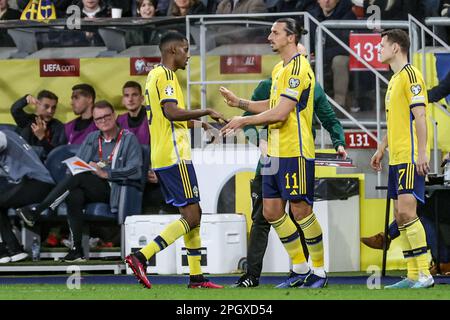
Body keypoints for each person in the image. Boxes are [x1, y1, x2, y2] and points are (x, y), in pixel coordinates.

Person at [220, 18, 328, 288]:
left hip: (295, 152)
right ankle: (301, 268)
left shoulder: (299, 69)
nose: (270, 37)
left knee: (301, 212)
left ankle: (319, 271)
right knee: (271, 212)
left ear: (291, 37)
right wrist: (241, 103)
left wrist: (243, 120)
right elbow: (273, 103)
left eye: (275, 32)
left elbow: (281, 112)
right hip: (274, 154)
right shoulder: (280, 68)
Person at [233, 42, 347, 288]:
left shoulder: (310, 84)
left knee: (299, 213)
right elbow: (253, 118)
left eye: (305, 56)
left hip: (294, 155)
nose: (302, 60)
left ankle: (313, 271)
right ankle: (256, 275)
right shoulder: (272, 79)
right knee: (266, 215)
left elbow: (328, 117)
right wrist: (258, 139)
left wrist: (339, 140)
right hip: (268, 160)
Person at [124, 31, 225, 289]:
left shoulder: (153, 76)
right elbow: (171, 112)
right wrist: (208, 110)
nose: (188, 55)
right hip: (174, 155)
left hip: (163, 154)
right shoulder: (167, 77)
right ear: (172, 51)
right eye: (185, 49)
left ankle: (196, 278)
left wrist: (198, 123)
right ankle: (141, 257)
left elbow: (165, 116)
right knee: (192, 215)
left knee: (193, 214)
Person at [16, 101, 143, 262]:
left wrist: (106, 173)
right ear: (94, 122)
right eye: (98, 119)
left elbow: (136, 170)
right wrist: (75, 168)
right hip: (89, 185)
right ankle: (77, 249)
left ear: (115, 116)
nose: (103, 121)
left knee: (80, 177)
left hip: (113, 188)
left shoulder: (128, 139)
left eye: (106, 116)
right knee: (74, 194)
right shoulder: (92, 137)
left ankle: (38, 211)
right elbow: (79, 163)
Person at [370, 29, 433, 289]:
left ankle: (425, 273)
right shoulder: (394, 80)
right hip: (396, 157)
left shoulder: (411, 75)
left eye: (382, 45)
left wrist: (422, 152)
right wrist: (381, 147)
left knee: (408, 212)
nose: (378, 49)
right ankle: (412, 274)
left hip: (408, 156)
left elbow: (420, 116)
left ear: (396, 48)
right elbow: (395, 121)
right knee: (400, 214)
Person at [0, 130, 55, 263]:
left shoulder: (1, 135)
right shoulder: (8, 133)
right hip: (34, 184)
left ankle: (7, 249)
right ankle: (12, 250)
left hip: (37, 184)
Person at [10, 90, 66, 160]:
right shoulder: (28, 120)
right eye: (46, 106)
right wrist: (26, 99)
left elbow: (55, 154)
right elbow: (15, 110)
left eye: (53, 107)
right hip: (22, 161)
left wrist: (42, 137)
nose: (50, 111)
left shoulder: (58, 126)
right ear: (37, 105)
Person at [117, 81, 150, 145]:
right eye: (126, 95)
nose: (130, 99)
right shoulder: (119, 121)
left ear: (142, 98)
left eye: (134, 95)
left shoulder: (152, 118)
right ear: (123, 100)